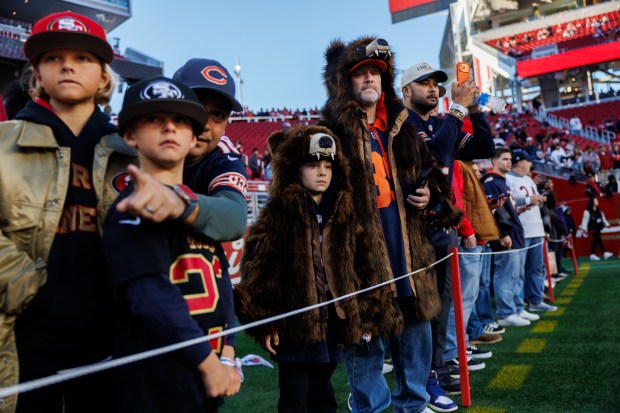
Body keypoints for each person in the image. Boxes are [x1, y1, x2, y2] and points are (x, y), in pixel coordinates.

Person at [1, 13, 242, 413]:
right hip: (25, 336)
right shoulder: (7, 143)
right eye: (54, 57)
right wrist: (30, 284)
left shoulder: (131, 151)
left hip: (111, 340)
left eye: (83, 57)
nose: (68, 65)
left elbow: (223, 228)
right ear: (37, 75)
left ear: (104, 76)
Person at [320, 36, 462, 413]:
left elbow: (435, 176)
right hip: (361, 269)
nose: (369, 79)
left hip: (410, 263)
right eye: (360, 73)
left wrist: (431, 195)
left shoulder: (401, 128)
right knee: (366, 366)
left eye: (375, 73)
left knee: (415, 359)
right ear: (344, 82)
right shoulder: (329, 135)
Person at [236, 126, 398, 412]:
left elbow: (365, 267)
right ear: (294, 170)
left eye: (327, 166)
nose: (322, 172)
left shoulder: (345, 214)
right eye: (312, 165)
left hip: (333, 324)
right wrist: (265, 321)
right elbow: (260, 271)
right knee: (295, 396)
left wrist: (368, 314)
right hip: (294, 325)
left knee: (323, 393)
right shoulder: (277, 214)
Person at [102, 76, 235, 412]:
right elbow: (152, 299)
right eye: (154, 119)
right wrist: (209, 363)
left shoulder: (199, 207)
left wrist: (229, 353)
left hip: (204, 378)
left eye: (180, 120)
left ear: (194, 137)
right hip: (155, 385)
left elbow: (222, 286)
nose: (169, 128)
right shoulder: (130, 209)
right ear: (130, 135)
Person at [400, 62, 494, 406]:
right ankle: (422, 380)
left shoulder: (441, 123)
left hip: (444, 229)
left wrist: (473, 109)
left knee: (440, 311)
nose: (432, 88)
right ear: (405, 90)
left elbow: (484, 148)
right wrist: (456, 109)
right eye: (423, 83)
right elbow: (437, 155)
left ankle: (436, 374)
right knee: (421, 312)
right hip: (416, 233)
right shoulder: (404, 124)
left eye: (435, 83)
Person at [173, 57, 250, 392]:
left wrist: (172, 203)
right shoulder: (134, 147)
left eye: (218, 114)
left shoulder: (224, 156)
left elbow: (233, 218)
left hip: (197, 312)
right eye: (195, 106)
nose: (205, 123)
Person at [482, 149, 530, 328]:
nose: (509, 162)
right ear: (494, 161)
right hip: (506, 235)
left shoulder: (501, 180)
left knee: (515, 274)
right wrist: (503, 233)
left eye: (510, 159)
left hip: (514, 233)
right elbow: (495, 210)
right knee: (506, 275)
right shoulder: (492, 181)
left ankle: (516, 308)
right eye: (505, 159)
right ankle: (505, 312)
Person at [506, 150, 557, 314]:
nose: (530, 165)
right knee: (518, 271)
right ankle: (519, 305)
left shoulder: (529, 179)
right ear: (520, 162)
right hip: (521, 230)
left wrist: (540, 199)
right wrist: (529, 200)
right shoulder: (507, 178)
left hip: (536, 228)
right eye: (528, 161)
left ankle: (536, 300)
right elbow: (510, 202)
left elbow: (536, 205)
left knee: (537, 268)